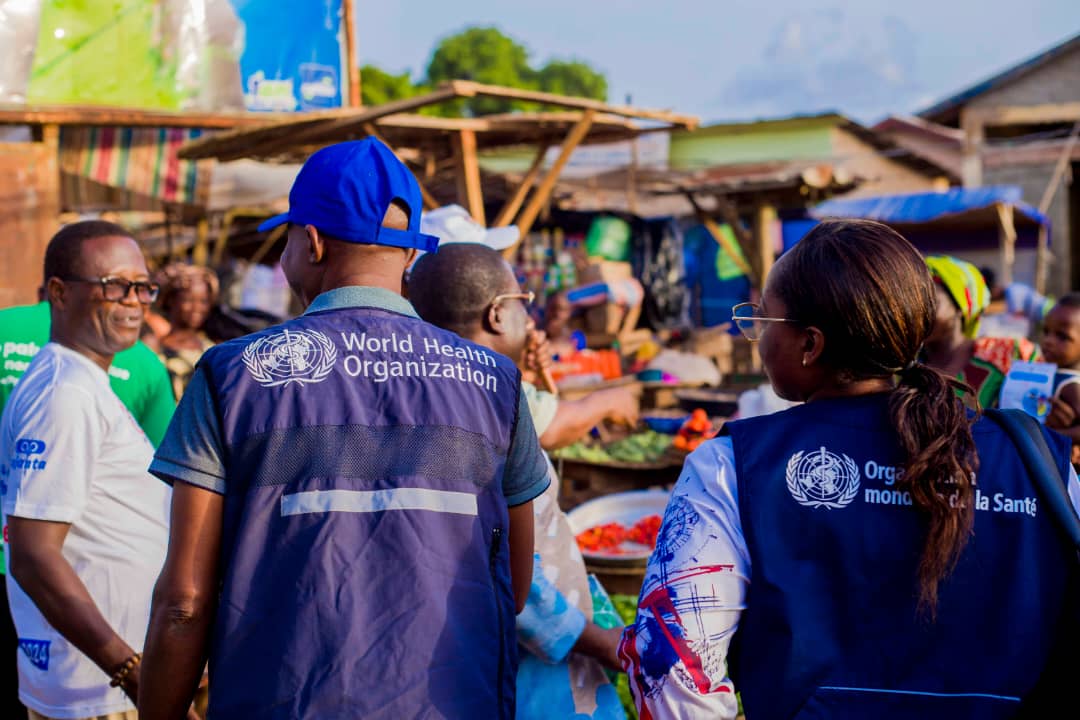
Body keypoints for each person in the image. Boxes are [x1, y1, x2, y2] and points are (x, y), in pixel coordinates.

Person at [139, 138, 550, 720]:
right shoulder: (495, 380)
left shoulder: (232, 375)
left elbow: (184, 603)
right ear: (409, 257)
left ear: (310, 242)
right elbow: (512, 579)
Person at [619, 220, 1080, 719]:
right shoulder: (1038, 460)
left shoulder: (734, 465)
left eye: (763, 320)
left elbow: (668, 667)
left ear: (810, 344)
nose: (755, 336)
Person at [409, 243, 627, 720]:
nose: (531, 320)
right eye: (521, 303)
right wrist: (599, 642)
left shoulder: (439, 400)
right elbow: (502, 567)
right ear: (495, 315)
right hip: (532, 674)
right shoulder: (483, 410)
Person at [0, 221, 174, 720]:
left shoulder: (81, 381)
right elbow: (33, 556)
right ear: (59, 292)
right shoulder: (66, 394)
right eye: (115, 286)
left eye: (143, 287)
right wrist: (131, 672)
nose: (135, 301)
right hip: (98, 691)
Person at [922, 254, 1040, 408]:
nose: (915, 312)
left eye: (930, 303)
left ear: (960, 307)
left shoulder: (1012, 355)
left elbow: (1038, 419)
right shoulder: (896, 369)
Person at [153, 263, 220, 399]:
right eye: (188, 300)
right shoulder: (156, 351)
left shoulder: (211, 350)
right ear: (171, 300)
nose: (197, 308)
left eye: (204, 301)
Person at [1042, 293, 1080, 464]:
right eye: (1046, 331)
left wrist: (1049, 436)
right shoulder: (1050, 374)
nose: (1048, 341)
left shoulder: (1071, 384)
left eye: (1062, 336)